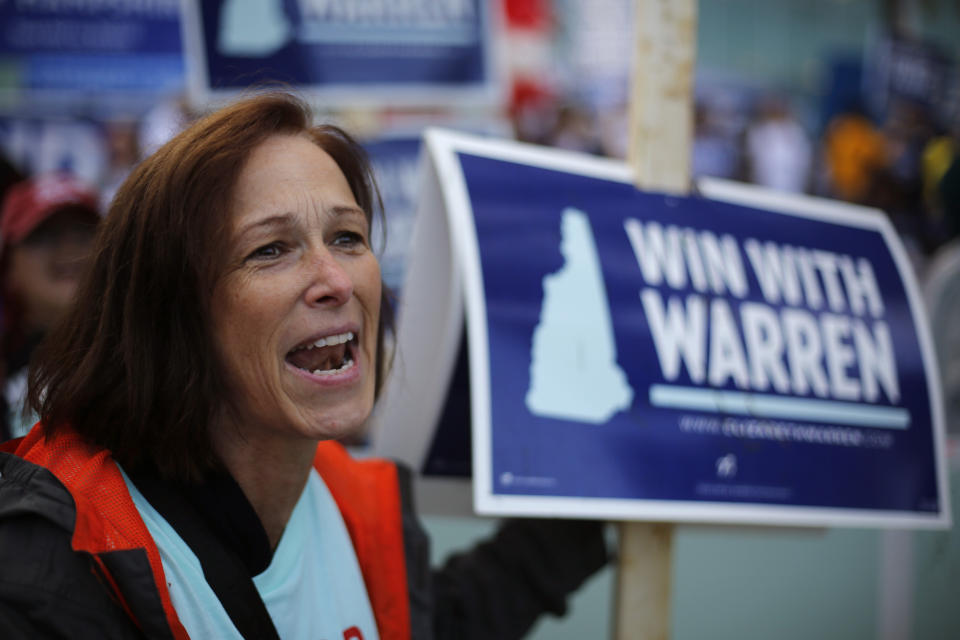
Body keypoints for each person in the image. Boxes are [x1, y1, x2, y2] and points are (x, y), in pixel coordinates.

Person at [0, 93, 607, 639]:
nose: (337, 281)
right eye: (270, 249)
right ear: (170, 312)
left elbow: (428, 623)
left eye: (347, 237)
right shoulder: (49, 567)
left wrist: (592, 496)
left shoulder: (358, 504)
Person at [0, 173, 100, 441]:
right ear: (8, 265)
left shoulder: (150, 354)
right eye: (45, 236)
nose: (69, 249)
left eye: (84, 233)